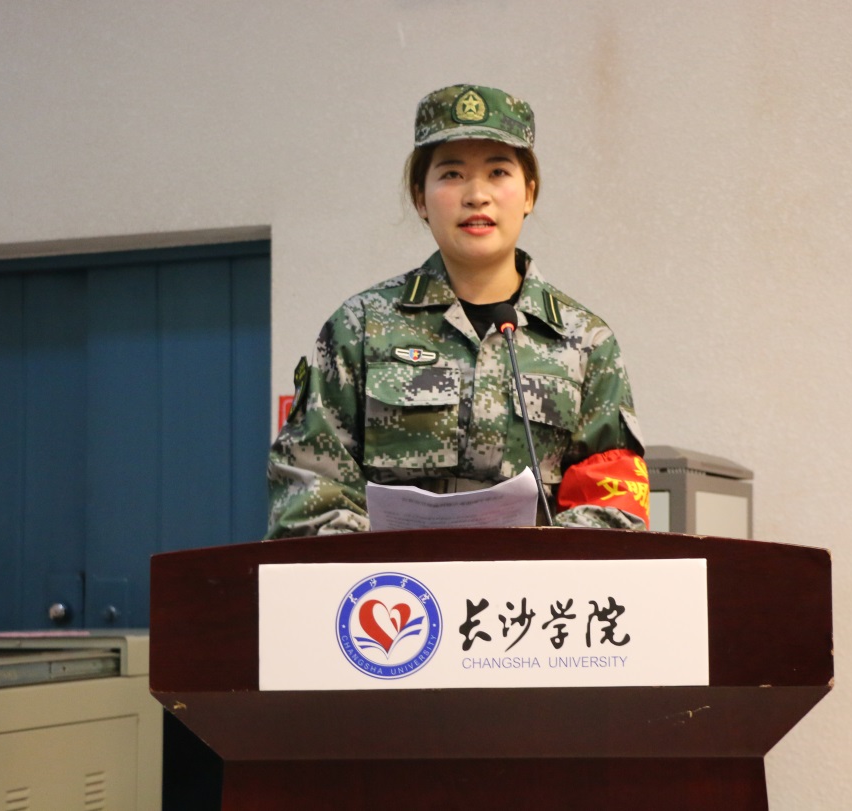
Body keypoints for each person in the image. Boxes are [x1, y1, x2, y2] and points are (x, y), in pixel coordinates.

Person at [266, 84, 648, 538]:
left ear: (529, 193)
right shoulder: (360, 327)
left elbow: (613, 500)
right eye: (451, 174)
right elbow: (309, 488)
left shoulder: (585, 341)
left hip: (532, 583)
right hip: (392, 581)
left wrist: (534, 562)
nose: (477, 195)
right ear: (420, 198)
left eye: (498, 172)